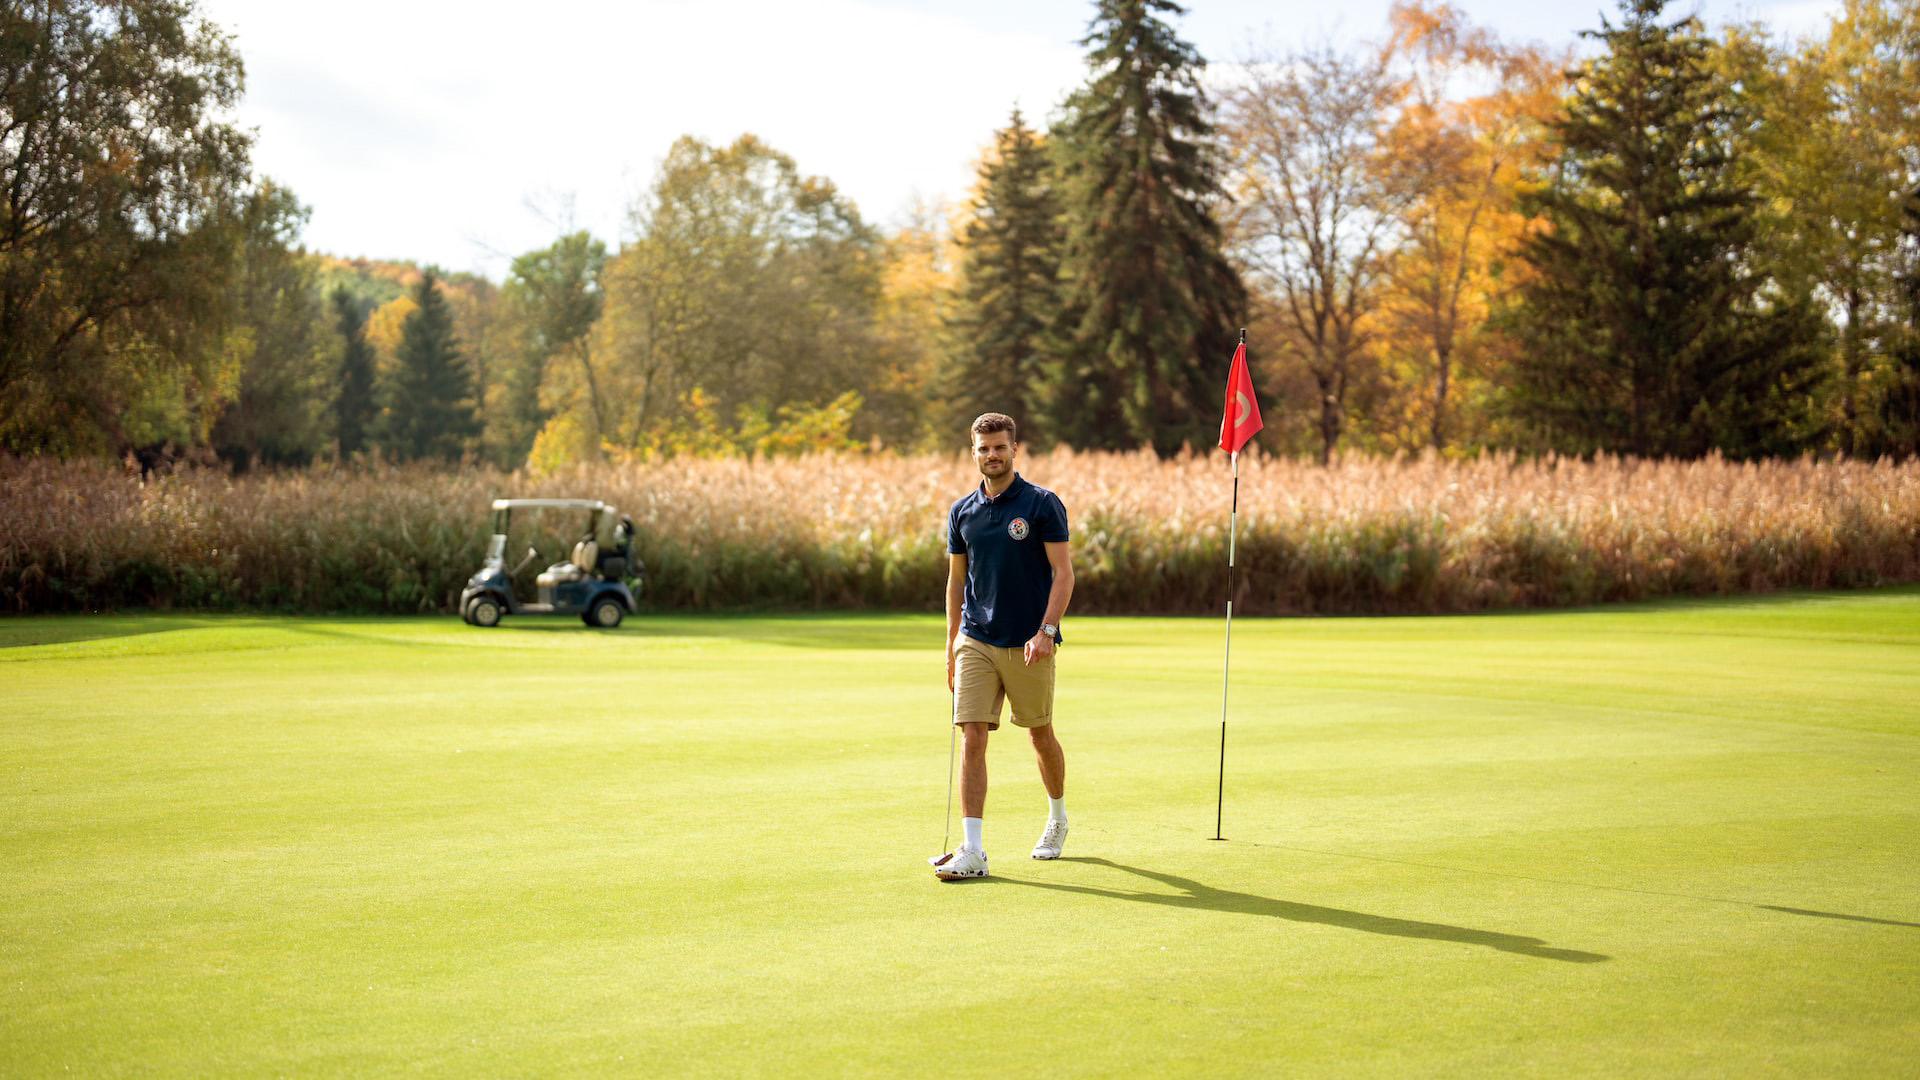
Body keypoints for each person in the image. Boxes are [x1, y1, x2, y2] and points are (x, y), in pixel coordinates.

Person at [930, 412, 1074, 881]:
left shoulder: (1041, 504)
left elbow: (1063, 573)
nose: (991, 455)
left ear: (1015, 449)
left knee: (1039, 733)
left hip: (1029, 641)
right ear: (972, 452)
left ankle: (1057, 818)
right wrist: (951, 642)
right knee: (971, 735)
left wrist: (1047, 630)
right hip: (976, 639)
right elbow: (955, 582)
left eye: (999, 447)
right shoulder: (961, 512)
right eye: (983, 448)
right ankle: (972, 849)